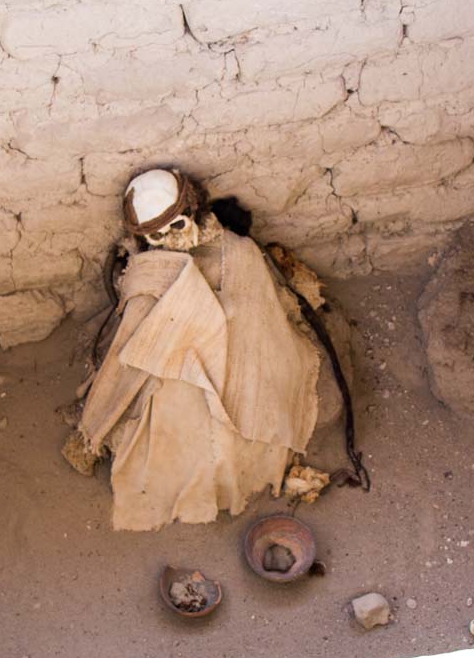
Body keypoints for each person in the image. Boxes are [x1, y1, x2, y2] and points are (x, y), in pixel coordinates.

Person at [63, 168, 326, 531]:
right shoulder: (147, 272)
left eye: (178, 226)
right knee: (176, 425)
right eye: (158, 235)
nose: (172, 240)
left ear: (193, 210)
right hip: (176, 362)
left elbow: (257, 312)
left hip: (234, 354)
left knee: (247, 406)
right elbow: (133, 343)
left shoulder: (237, 251)